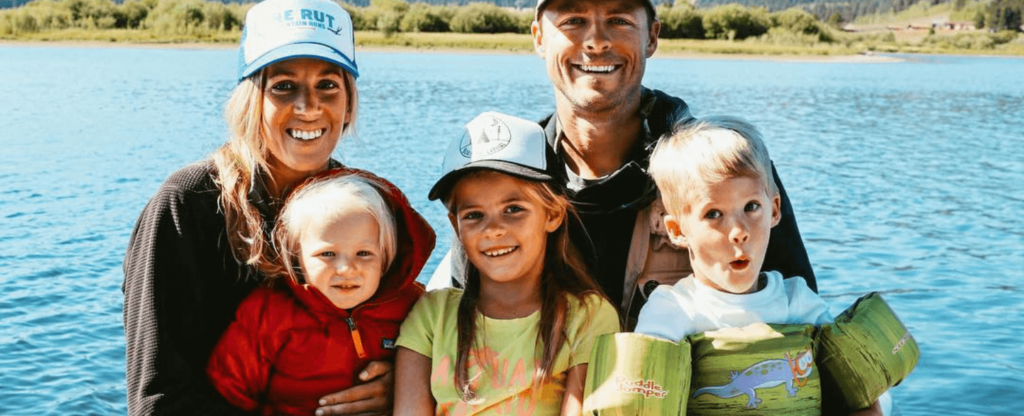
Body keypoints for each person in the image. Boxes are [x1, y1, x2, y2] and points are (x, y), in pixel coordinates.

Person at [431, 0, 816, 330]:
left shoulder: (727, 169)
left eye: (619, 20)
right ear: (538, 38)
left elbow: (803, 321)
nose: (596, 40)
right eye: (573, 21)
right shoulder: (505, 176)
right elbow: (455, 322)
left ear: (651, 36)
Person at [122, 0, 395, 414]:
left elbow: (400, 324)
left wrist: (401, 378)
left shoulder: (363, 203)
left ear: (349, 104)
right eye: (284, 86)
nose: (308, 106)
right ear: (251, 99)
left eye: (328, 85)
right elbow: (158, 398)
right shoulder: (186, 202)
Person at [634, 116, 883, 414]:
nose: (739, 230)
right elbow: (642, 401)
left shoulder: (797, 302)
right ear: (677, 230)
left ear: (774, 210)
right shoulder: (672, 311)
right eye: (713, 214)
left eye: (751, 207)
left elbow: (857, 393)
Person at [394, 112, 620, 416]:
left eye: (513, 209)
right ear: (456, 225)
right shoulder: (431, 315)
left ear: (552, 214)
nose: (493, 229)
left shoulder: (588, 316)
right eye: (474, 215)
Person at [206, 169, 434, 415]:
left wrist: (405, 379)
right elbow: (229, 392)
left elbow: (445, 373)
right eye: (327, 254)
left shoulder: (413, 308)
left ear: (386, 258)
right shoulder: (268, 314)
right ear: (297, 256)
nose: (346, 268)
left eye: (364, 254)